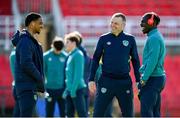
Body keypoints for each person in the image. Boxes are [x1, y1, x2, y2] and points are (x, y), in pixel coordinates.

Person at [88, 13, 141, 117]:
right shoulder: (103, 39)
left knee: (128, 114)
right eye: (111, 22)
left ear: (123, 25)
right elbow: (95, 60)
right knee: (97, 114)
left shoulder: (130, 39)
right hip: (106, 81)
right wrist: (91, 79)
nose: (112, 25)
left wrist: (138, 80)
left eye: (116, 23)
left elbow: (135, 61)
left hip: (124, 82)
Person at [12, 12, 45, 117]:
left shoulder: (30, 41)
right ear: (32, 24)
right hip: (26, 88)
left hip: (29, 87)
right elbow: (26, 63)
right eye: (40, 23)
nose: (42, 26)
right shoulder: (25, 41)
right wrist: (39, 77)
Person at [139, 12, 166, 117]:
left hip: (152, 78)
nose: (141, 25)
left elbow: (152, 61)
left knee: (146, 112)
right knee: (155, 112)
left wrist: (144, 78)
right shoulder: (155, 36)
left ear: (151, 22)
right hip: (157, 78)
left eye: (143, 22)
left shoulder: (153, 38)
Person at [62, 34, 87, 117]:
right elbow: (69, 75)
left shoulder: (78, 54)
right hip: (70, 90)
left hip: (77, 90)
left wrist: (73, 90)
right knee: (69, 114)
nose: (66, 44)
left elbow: (78, 75)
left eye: (67, 42)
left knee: (81, 114)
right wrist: (67, 90)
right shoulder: (71, 55)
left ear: (74, 43)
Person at [43, 36, 67, 117]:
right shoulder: (45, 56)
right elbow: (42, 73)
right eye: (56, 49)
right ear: (52, 46)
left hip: (62, 89)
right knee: (49, 113)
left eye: (60, 50)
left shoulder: (66, 56)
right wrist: (42, 88)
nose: (58, 52)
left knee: (63, 112)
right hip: (50, 89)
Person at [9, 31, 21, 117]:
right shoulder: (15, 54)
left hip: (18, 85)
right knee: (19, 109)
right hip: (18, 85)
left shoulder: (15, 54)